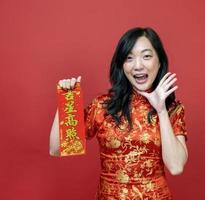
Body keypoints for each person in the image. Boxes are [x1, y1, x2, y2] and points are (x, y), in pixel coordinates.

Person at [49, 27, 188, 199]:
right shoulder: (103, 106)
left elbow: (176, 166)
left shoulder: (172, 109)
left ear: (159, 61)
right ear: (122, 65)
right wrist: (66, 100)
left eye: (146, 56)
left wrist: (161, 110)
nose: (138, 65)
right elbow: (56, 149)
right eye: (129, 58)